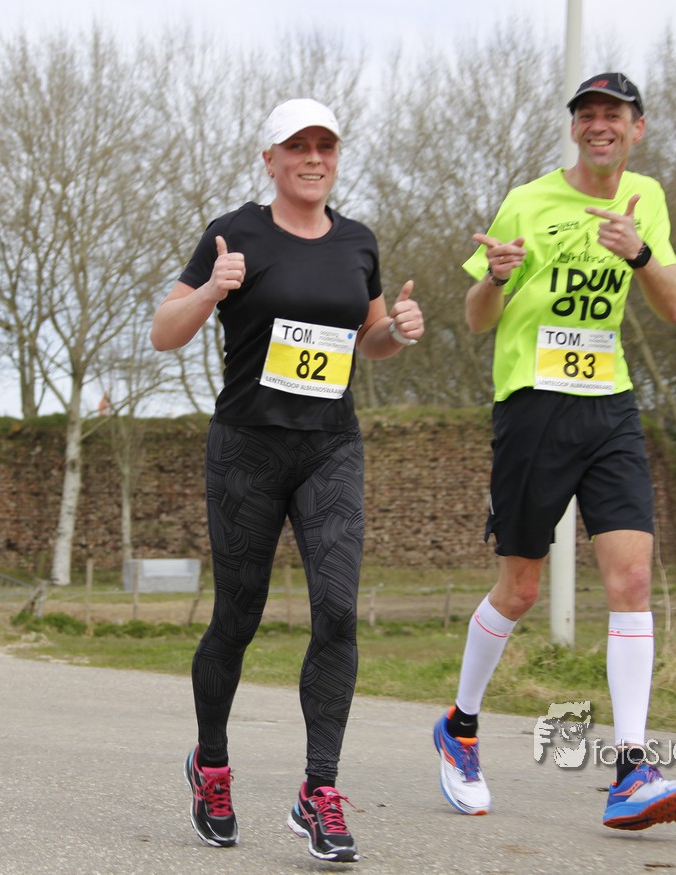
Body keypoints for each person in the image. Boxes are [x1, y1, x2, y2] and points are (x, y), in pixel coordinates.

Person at [151, 98, 424, 863]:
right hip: (246, 448)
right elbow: (164, 331)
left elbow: (367, 339)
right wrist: (210, 289)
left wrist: (394, 331)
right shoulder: (233, 233)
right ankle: (210, 766)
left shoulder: (357, 241)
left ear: (335, 157)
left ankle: (318, 789)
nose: (312, 158)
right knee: (236, 617)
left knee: (336, 611)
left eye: (323, 146)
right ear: (269, 158)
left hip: (329, 448)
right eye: (296, 146)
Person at [435, 72, 676, 830]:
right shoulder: (527, 200)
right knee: (519, 589)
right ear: (575, 128)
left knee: (632, 578)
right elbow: (477, 316)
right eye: (587, 115)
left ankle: (631, 770)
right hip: (533, 404)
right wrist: (495, 277)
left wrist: (640, 253)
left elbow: (674, 306)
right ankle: (459, 727)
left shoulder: (645, 198)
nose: (599, 125)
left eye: (613, 114)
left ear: (636, 128)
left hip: (609, 404)